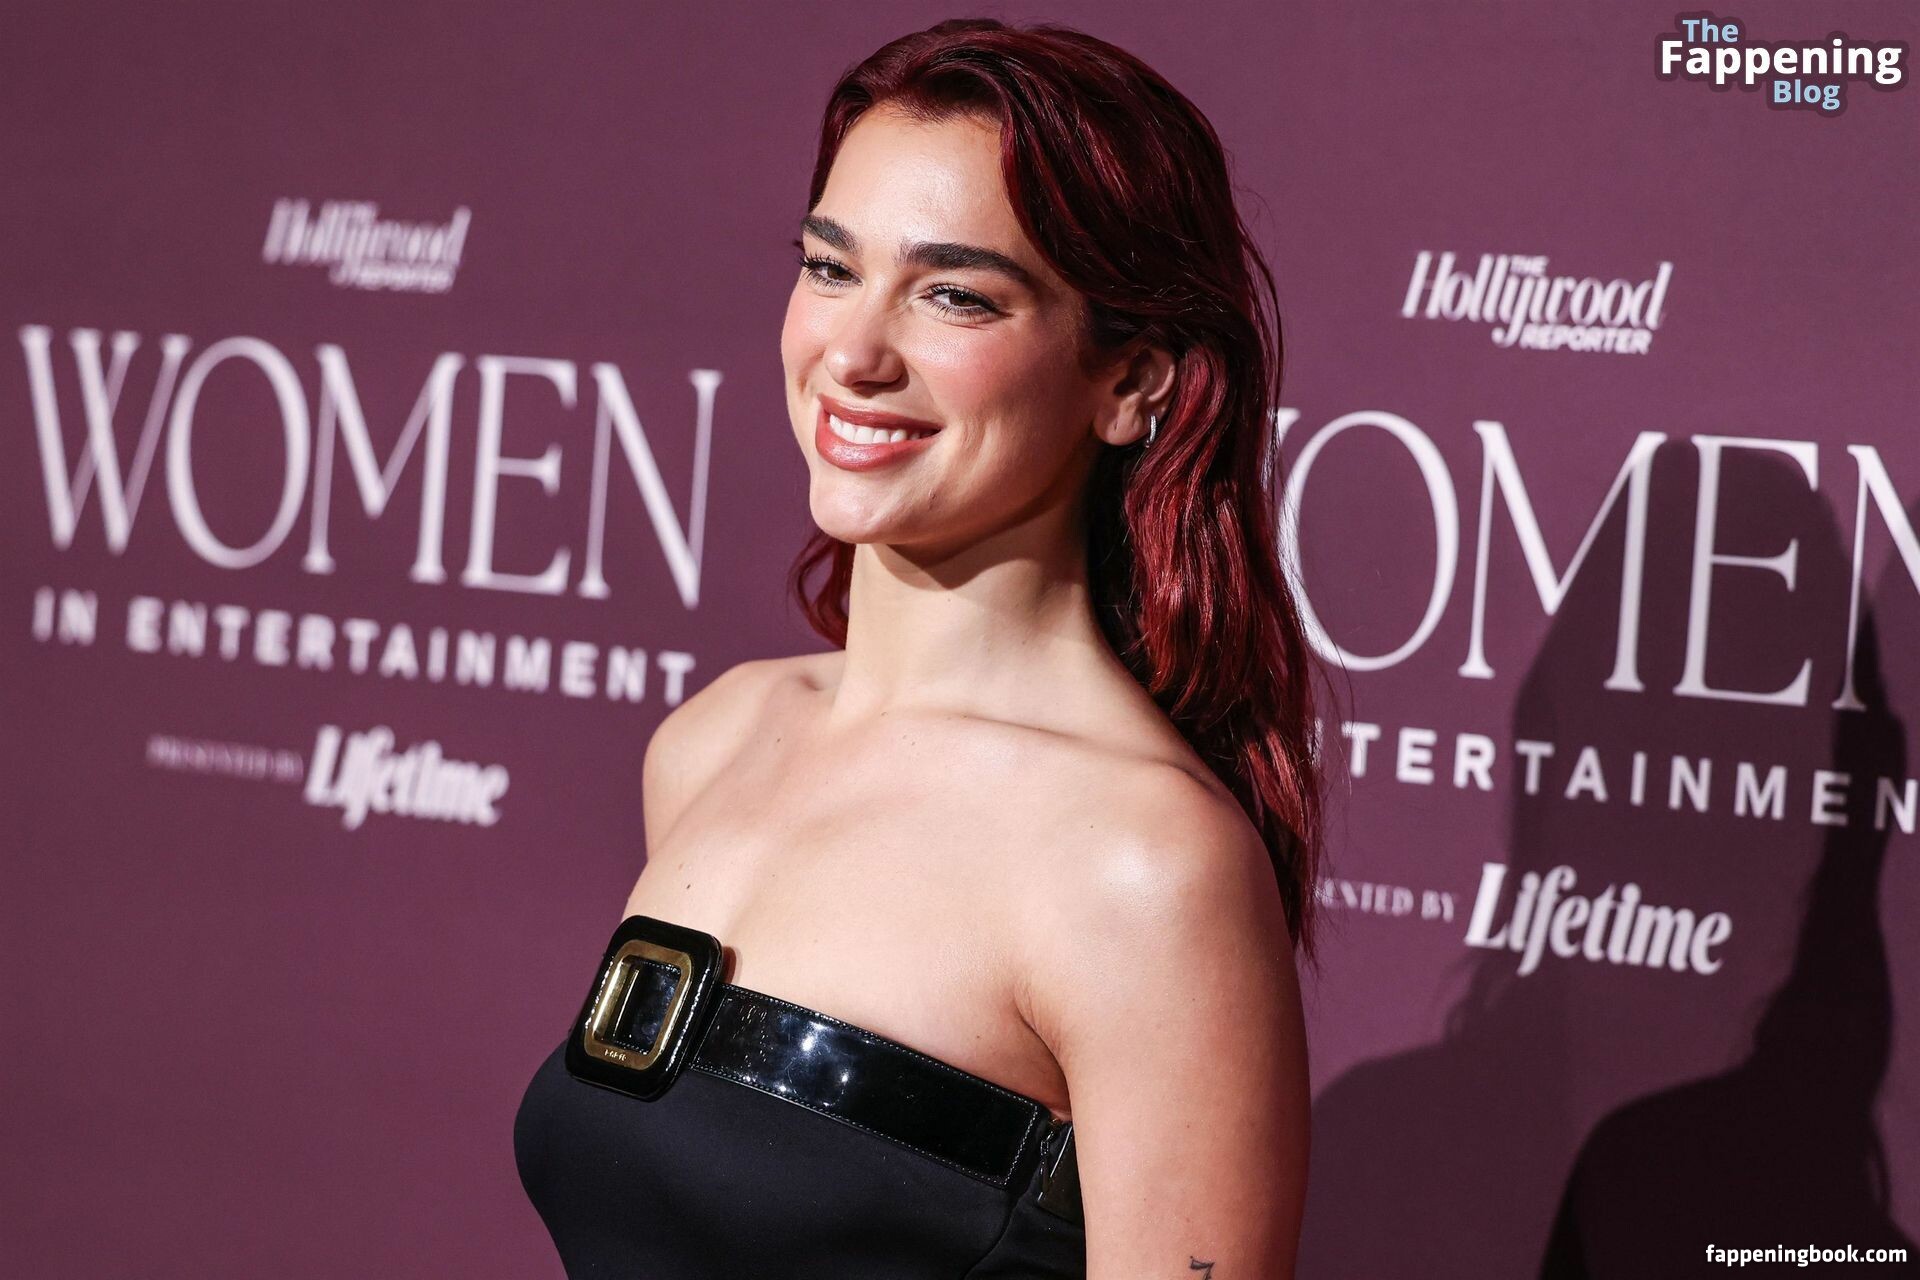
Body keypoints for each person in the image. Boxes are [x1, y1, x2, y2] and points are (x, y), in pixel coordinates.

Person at [515, 16, 1330, 1277]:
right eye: (829, 266)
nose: (852, 354)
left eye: (954, 294)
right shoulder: (717, 740)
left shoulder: (1144, 866)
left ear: (1132, 383)